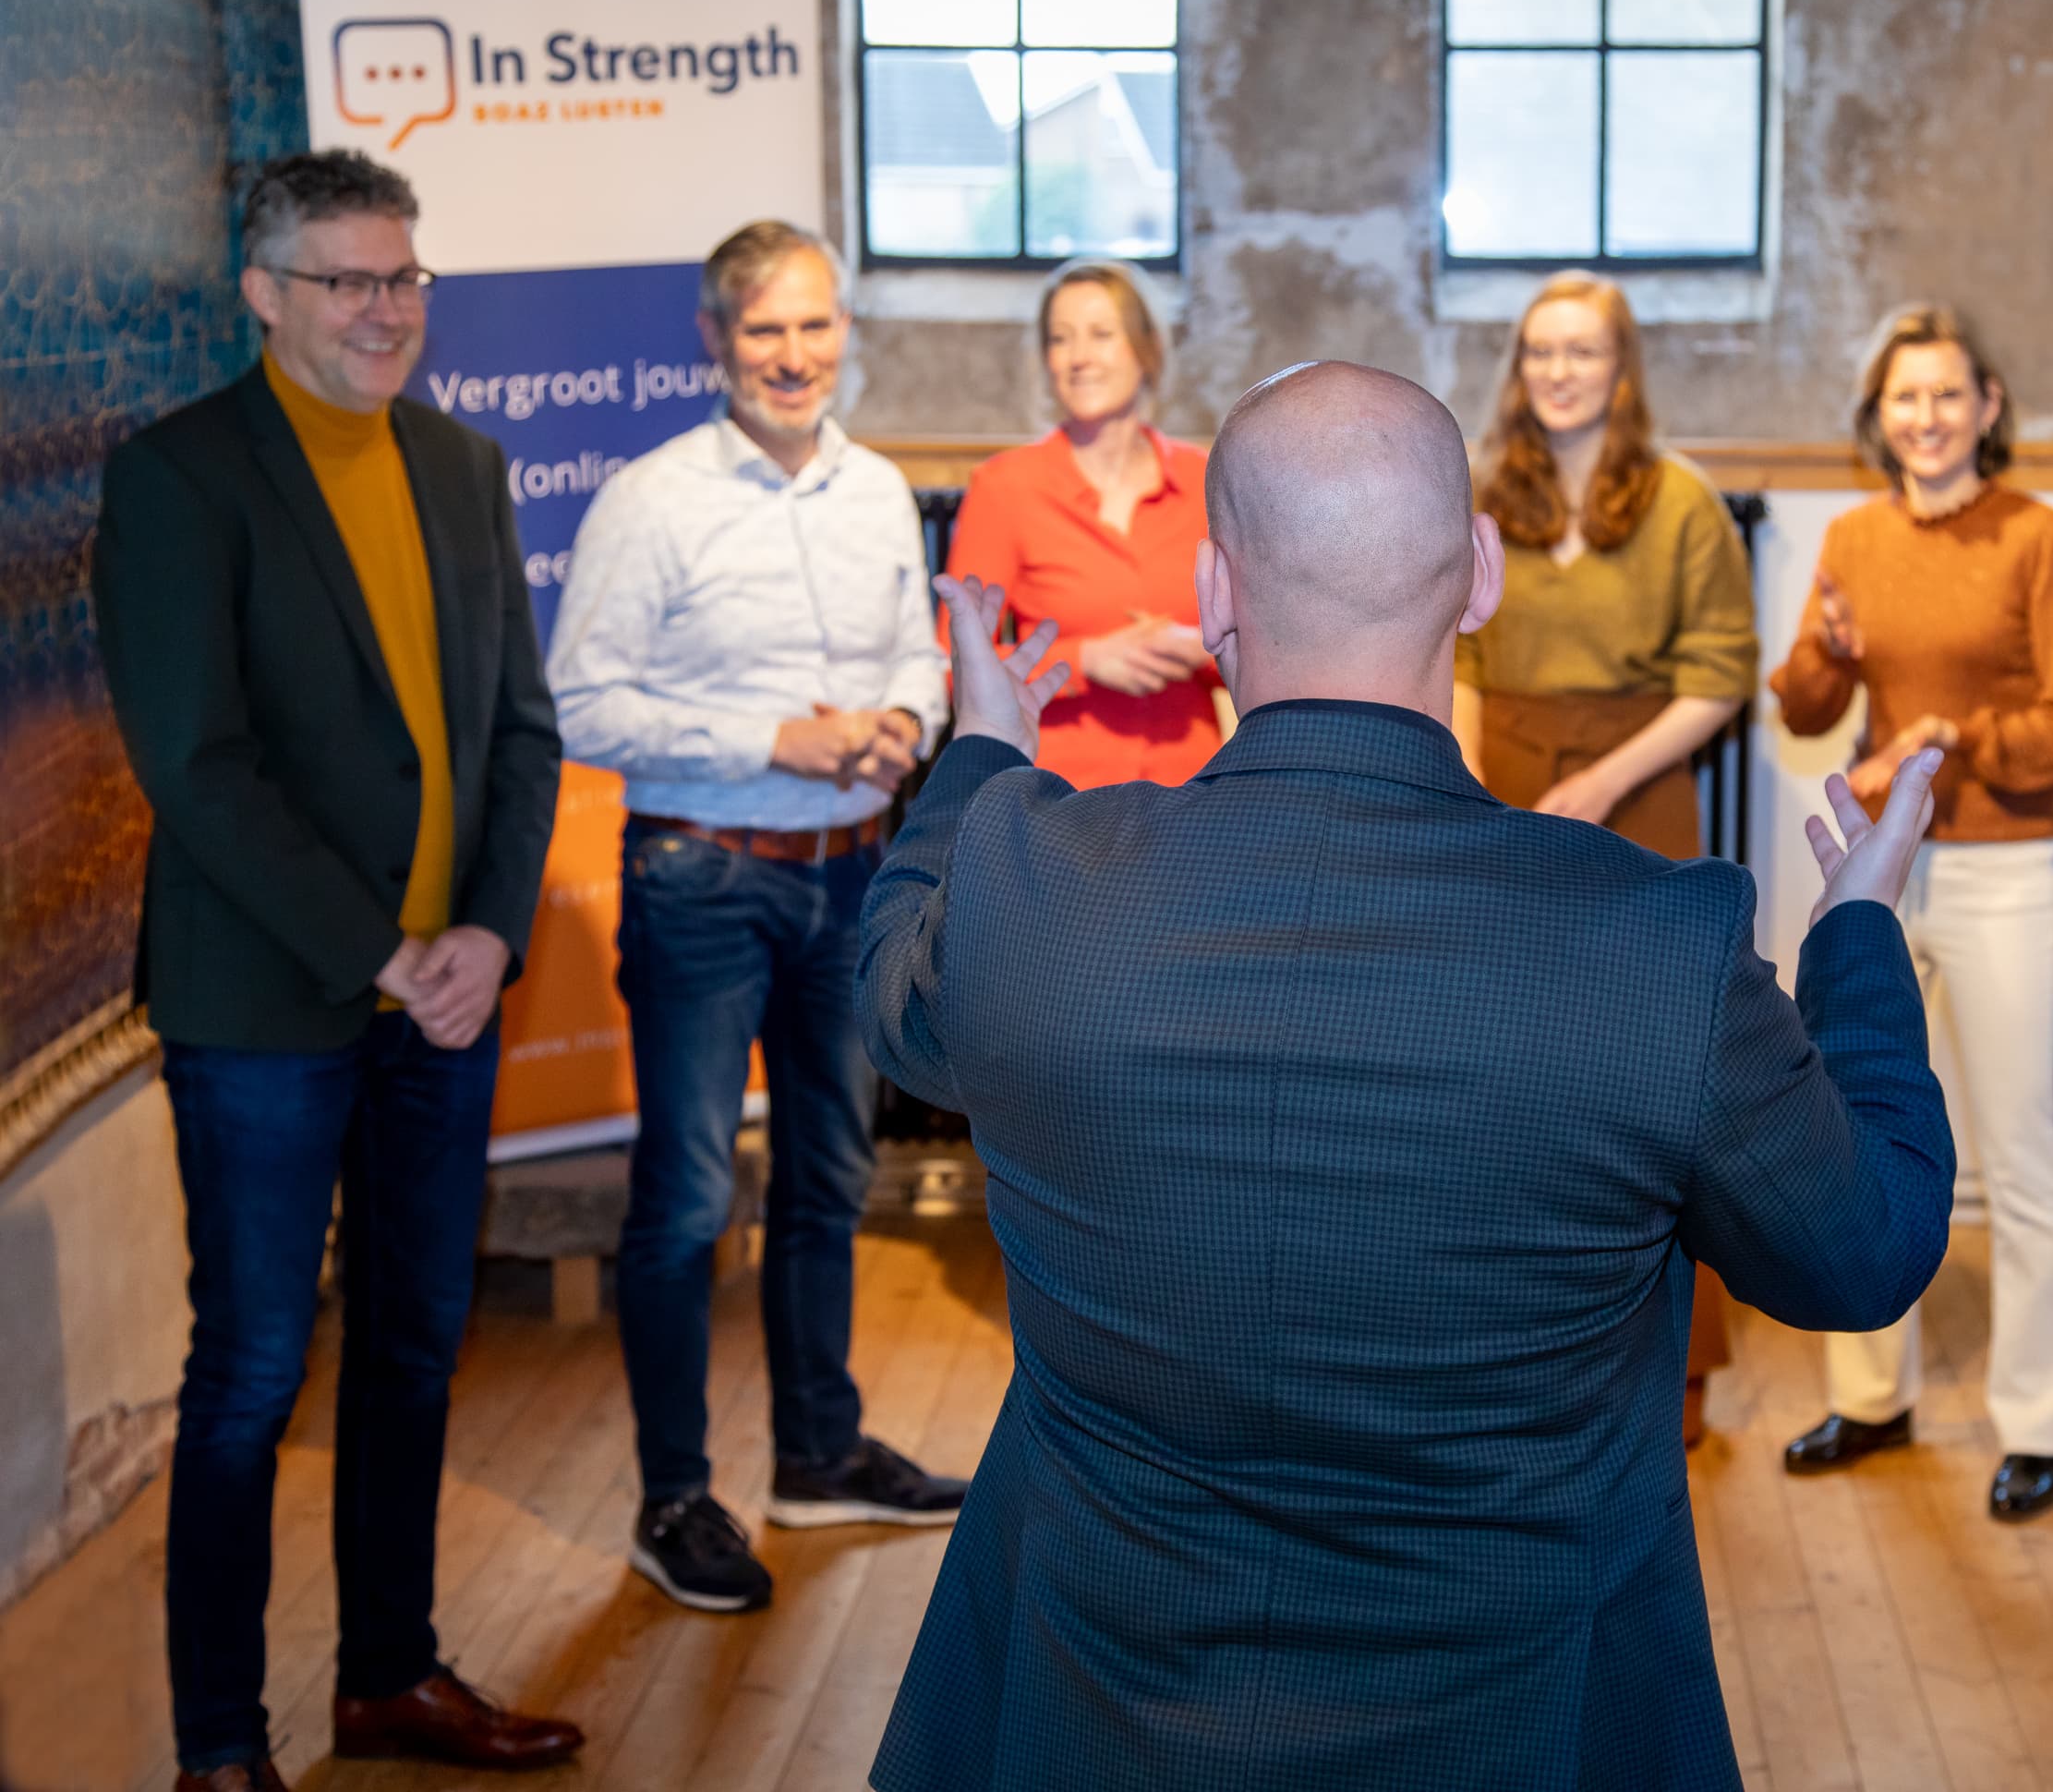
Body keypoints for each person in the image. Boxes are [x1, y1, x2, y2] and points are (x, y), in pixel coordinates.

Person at [855, 361, 1956, 1791]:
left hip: (1092, 1718)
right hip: (1509, 1730)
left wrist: (987, 754)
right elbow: (1862, 1251)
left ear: (1212, 593)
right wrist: (1859, 938)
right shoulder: (1653, 945)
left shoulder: (1032, 885)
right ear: (1481, 574)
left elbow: (896, 991)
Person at [91, 149, 578, 1790]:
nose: (386, 309)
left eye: (405, 275)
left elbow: (521, 730)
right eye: (349, 280)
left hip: (445, 998)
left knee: (417, 1345)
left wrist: (489, 938)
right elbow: (197, 763)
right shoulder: (182, 477)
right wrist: (388, 952)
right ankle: (222, 1748)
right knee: (247, 1377)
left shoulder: (462, 463)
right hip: (269, 1009)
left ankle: (389, 1675)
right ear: (263, 292)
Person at [548, 221, 966, 1617]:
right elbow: (582, 700)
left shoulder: (877, 488)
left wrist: (908, 712)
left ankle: (818, 1453)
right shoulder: (651, 499)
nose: (793, 356)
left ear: (847, 332)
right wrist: (770, 735)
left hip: (852, 874)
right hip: (704, 880)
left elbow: (918, 642)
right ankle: (675, 1497)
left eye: (815, 327)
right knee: (679, 1201)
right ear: (714, 342)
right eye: (762, 331)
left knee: (829, 1180)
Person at [1769, 305, 2053, 1520]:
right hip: (1881, 865)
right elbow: (1806, 709)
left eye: (1949, 395)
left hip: (2007, 867)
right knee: (1854, 1123)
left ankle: (2040, 1419)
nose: (1926, 417)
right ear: (1881, 414)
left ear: (1990, 406)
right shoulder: (1854, 533)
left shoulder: (2040, 536)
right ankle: (1870, 1397)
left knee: (2016, 1148)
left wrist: (1960, 739)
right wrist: (1831, 649)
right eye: (1905, 398)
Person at [1454, 272, 1760, 1444]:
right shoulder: (1482, 490)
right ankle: (1520, 1352)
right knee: (1511, 1077)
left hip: (1641, 787)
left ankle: (1678, 1370)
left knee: (1658, 1081)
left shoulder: (1680, 501)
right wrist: (1483, 796)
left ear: (1622, 366)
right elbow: (1462, 656)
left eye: (1582, 350)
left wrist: (1602, 781)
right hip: (1507, 780)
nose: (1560, 371)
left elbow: (1720, 673)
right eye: (1540, 352)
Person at [941, 258, 1217, 788]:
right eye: (1061, 339)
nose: (1079, 358)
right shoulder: (1005, 487)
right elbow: (957, 666)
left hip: (1194, 794)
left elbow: (1268, 648)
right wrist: (1085, 660)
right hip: (1058, 796)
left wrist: (1205, 645)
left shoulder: (1204, 477)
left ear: (1147, 349)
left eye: (1101, 334)